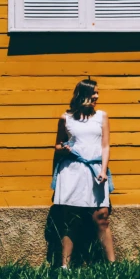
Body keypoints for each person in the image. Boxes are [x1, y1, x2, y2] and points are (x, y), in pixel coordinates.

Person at [52, 78, 115, 268]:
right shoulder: (66, 118)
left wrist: (103, 170)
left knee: (101, 216)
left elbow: (105, 146)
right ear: (82, 95)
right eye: (93, 93)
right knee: (70, 219)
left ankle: (113, 266)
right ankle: (64, 267)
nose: (97, 96)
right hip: (72, 171)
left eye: (97, 92)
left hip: (95, 170)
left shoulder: (101, 116)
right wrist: (63, 149)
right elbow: (57, 145)